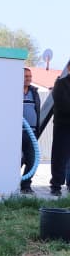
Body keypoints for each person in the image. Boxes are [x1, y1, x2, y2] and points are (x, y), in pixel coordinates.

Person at [50, 63, 70, 196]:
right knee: (59, 156)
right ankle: (56, 185)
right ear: (69, 69)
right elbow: (63, 104)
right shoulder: (60, 84)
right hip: (63, 125)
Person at [21, 67, 41, 194]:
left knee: (32, 160)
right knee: (16, 160)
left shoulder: (34, 92)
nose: (29, 79)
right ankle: (10, 183)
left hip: (31, 132)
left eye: (30, 76)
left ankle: (26, 185)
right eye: (26, 76)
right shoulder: (14, 90)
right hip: (17, 133)